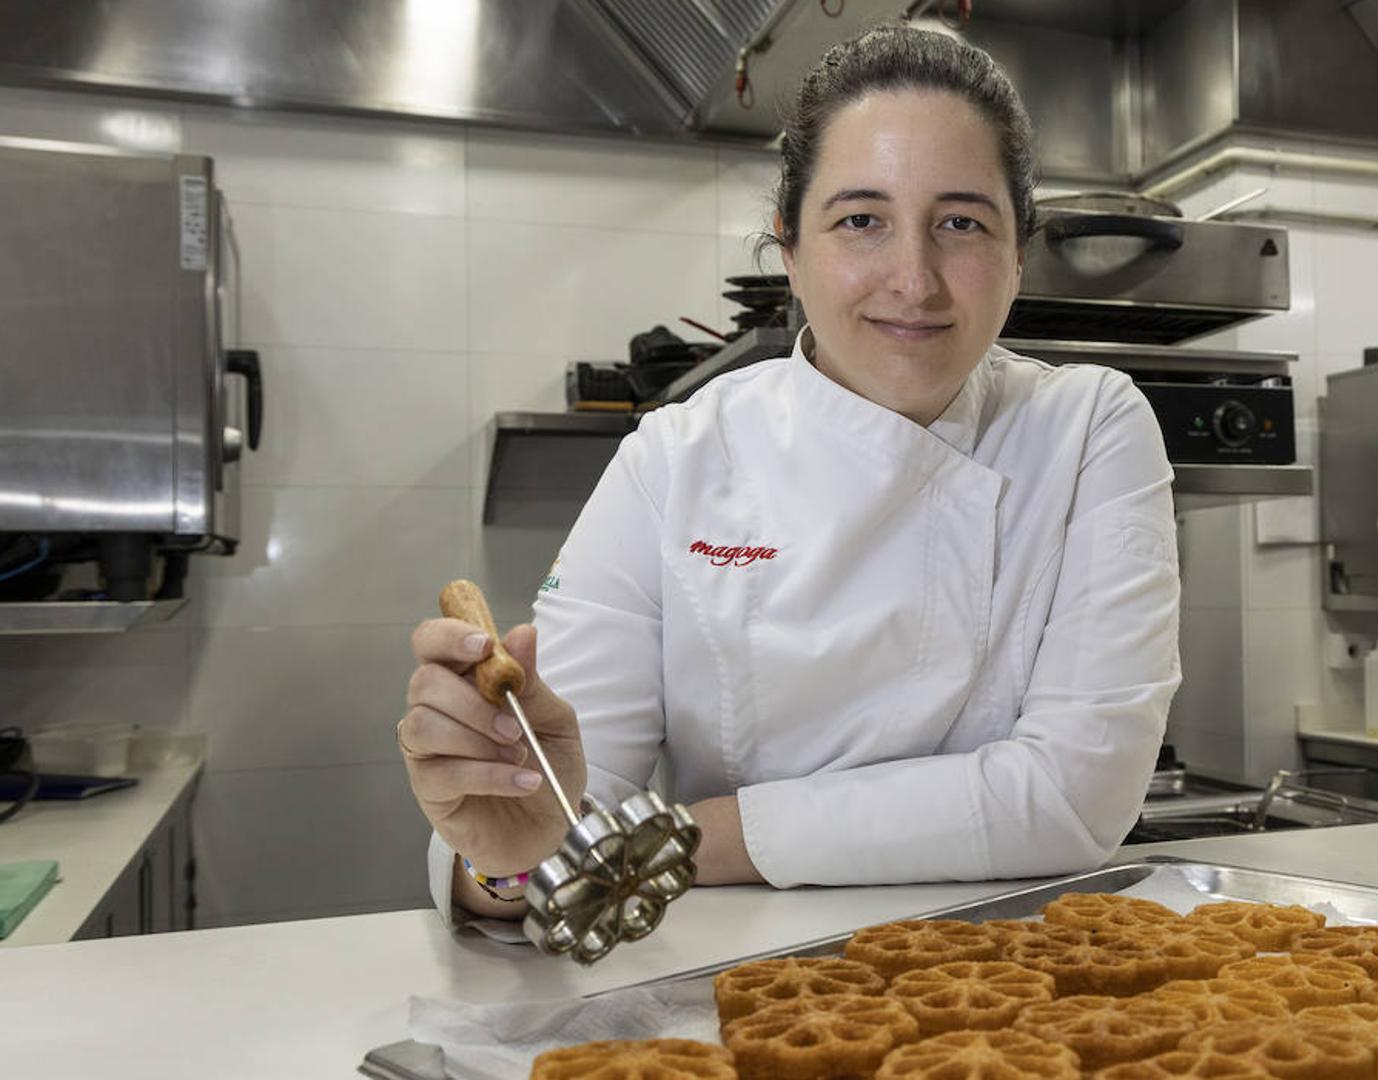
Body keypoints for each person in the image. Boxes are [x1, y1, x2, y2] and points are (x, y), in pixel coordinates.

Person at [396, 25, 1181, 924]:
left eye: (961, 222)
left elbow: (1073, 798)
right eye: (860, 221)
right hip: (726, 982)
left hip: (1014, 982)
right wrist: (502, 859)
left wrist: (694, 836)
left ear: (1019, 254)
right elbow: (551, 839)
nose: (914, 279)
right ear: (791, 253)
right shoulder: (674, 460)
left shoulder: (1087, 427)